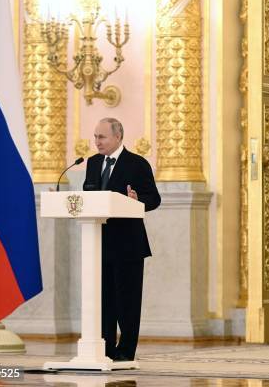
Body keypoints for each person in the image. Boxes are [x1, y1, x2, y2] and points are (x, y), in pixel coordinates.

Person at [83, 117, 161, 361]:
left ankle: (126, 352)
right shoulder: (93, 163)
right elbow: (90, 193)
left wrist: (138, 200)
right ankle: (104, 350)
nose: (97, 142)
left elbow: (154, 198)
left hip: (128, 245)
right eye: (95, 136)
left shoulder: (137, 164)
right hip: (99, 243)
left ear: (118, 137)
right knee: (104, 302)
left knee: (127, 303)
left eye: (102, 137)